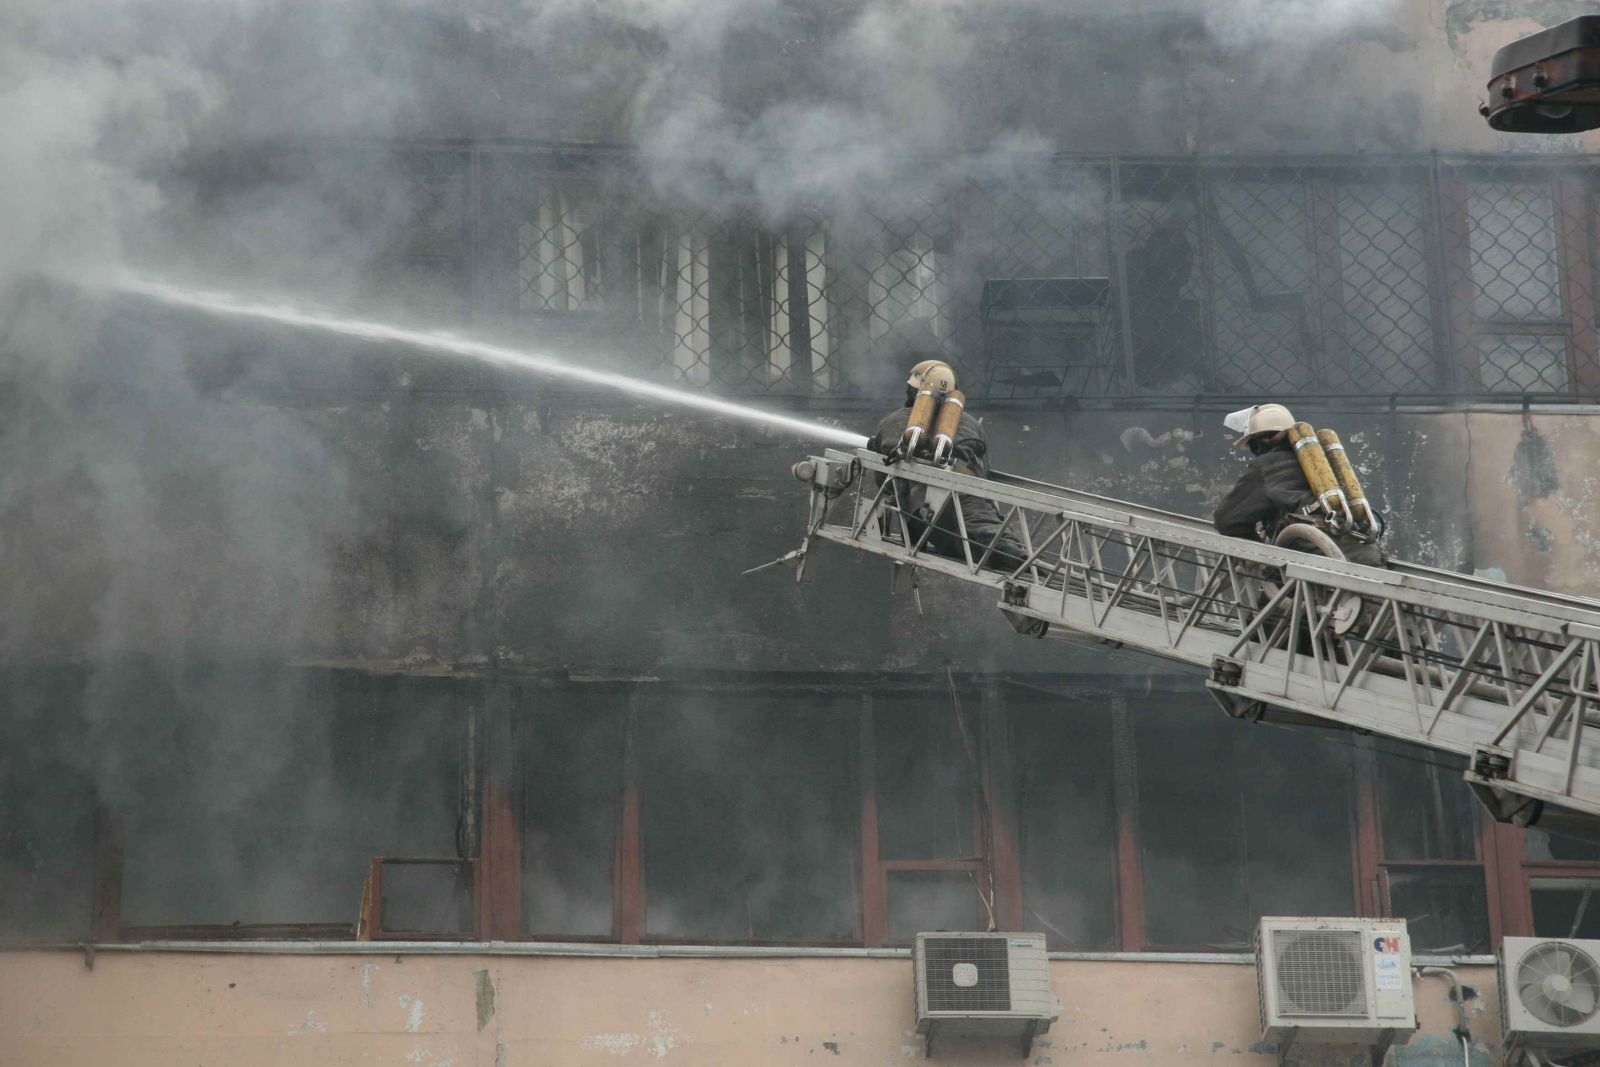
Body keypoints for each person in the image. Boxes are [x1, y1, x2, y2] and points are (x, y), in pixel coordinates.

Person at [867, 360, 1028, 571]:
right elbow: (983, 467)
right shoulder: (970, 424)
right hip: (972, 497)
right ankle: (1025, 562)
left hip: (925, 506)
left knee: (961, 542)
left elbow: (886, 480)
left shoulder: (895, 421)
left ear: (911, 389)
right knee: (994, 539)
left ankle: (1016, 559)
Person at [1213, 403, 1384, 567]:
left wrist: (1259, 553)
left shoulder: (1267, 466)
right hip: (1369, 558)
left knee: (1274, 593)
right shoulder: (1325, 462)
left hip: (1314, 561)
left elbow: (1227, 519)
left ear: (1261, 442)